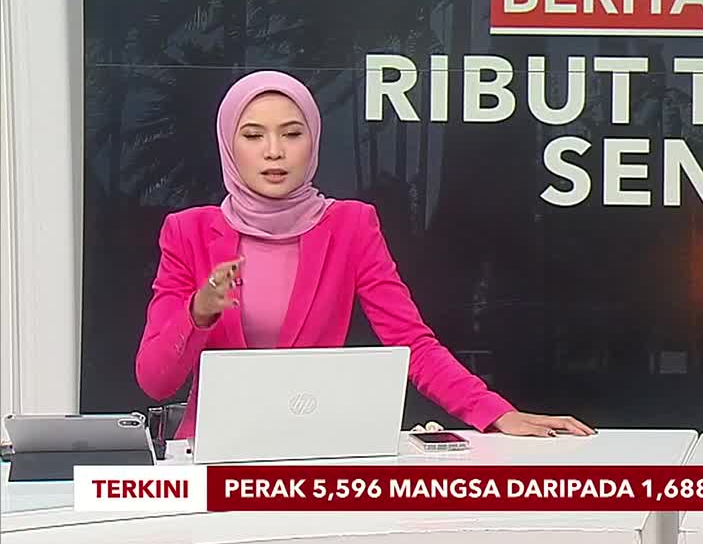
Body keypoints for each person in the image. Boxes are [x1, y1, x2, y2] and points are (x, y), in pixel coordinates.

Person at [135, 70, 594, 440]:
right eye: (253, 136)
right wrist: (197, 313)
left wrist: (494, 413)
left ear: (312, 140)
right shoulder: (188, 232)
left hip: (315, 450)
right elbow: (155, 381)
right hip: (210, 457)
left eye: (291, 134)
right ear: (229, 146)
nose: (274, 152)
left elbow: (411, 342)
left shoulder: (350, 226)